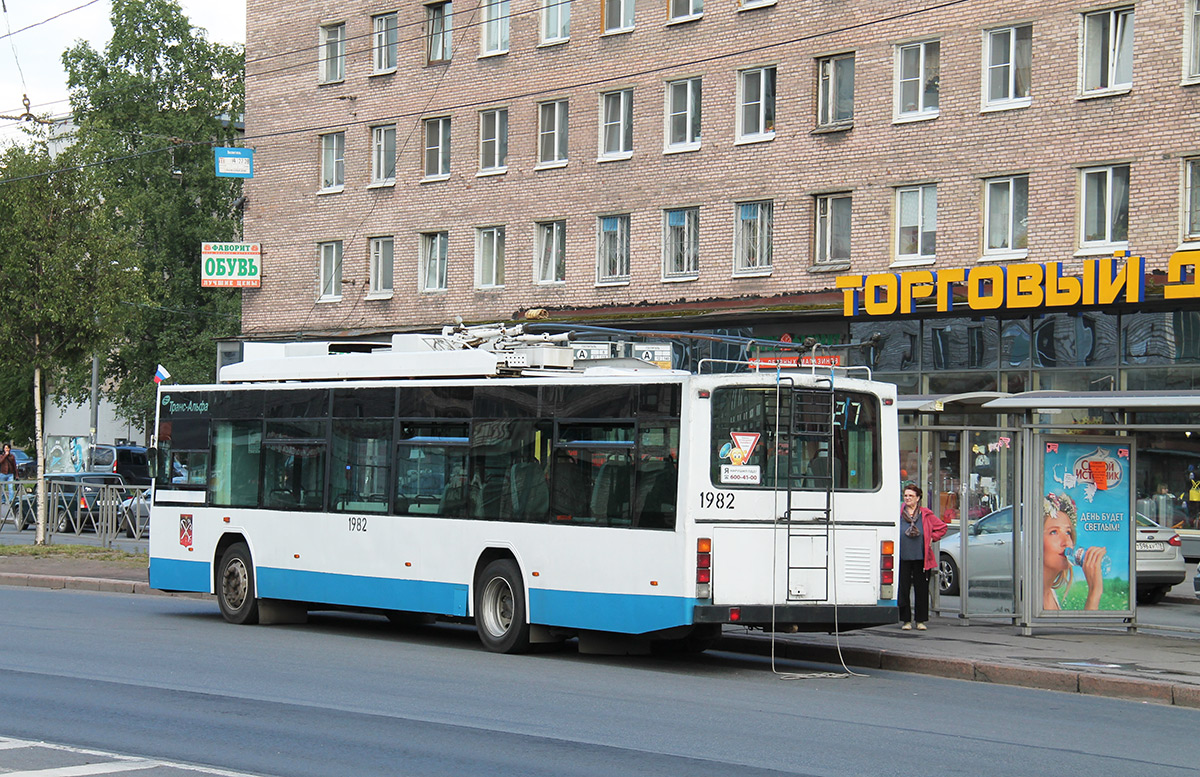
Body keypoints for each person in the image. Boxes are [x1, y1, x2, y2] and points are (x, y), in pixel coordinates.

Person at [1043, 491, 1104, 611]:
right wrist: (1094, 593)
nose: (1066, 542)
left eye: (1068, 532)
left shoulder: (1050, 594)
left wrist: (1095, 590)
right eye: (1054, 532)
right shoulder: (1026, 599)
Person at [898, 484, 947, 631]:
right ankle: (906, 620)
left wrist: (932, 538)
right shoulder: (899, 512)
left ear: (918, 498)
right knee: (903, 589)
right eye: (905, 495)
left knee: (921, 589)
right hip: (902, 557)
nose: (907, 498)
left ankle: (920, 621)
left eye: (911, 496)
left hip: (921, 557)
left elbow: (942, 528)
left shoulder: (926, 514)